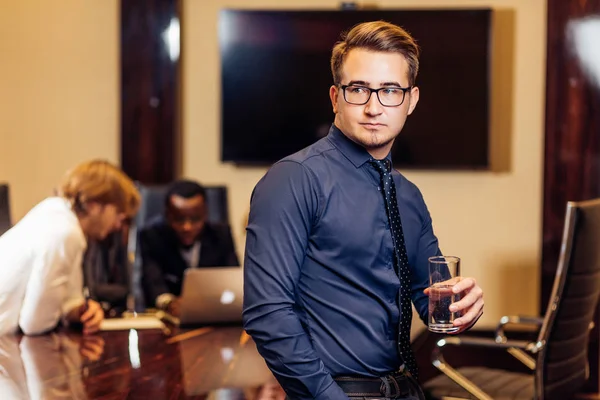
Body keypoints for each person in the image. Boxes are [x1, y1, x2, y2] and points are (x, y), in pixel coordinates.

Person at [243, 21, 484, 400]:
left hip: (407, 389)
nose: (374, 107)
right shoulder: (293, 179)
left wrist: (463, 309)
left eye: (390, 90)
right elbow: (267, 313)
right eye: (358, 89)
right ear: (336, 97)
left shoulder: (409, 195)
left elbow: (430, 303)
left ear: (412, 99)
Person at [0, 160, 140, 336]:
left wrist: (83, 311)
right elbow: (35, 324)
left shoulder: (56, 212)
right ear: (93, 205)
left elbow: (68, 299)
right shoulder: (65, 232)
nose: (119, 225)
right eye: (119, 214)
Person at [140, 179, 239, 315]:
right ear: (168, 215)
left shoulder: (221, 235)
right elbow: (152, 282)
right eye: (179, 219)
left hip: (213, 314)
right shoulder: (152, 237)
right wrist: (169, 302)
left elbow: (233, 280)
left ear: (205, 214)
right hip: (168, 317)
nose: (187, 227)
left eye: (195, 219)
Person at [83, 220, 132, 316]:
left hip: (113, 310)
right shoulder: (91, 237)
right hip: (90, 308)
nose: (118, 225)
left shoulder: (119, 238)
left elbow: (127, 288)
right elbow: (90, 288)